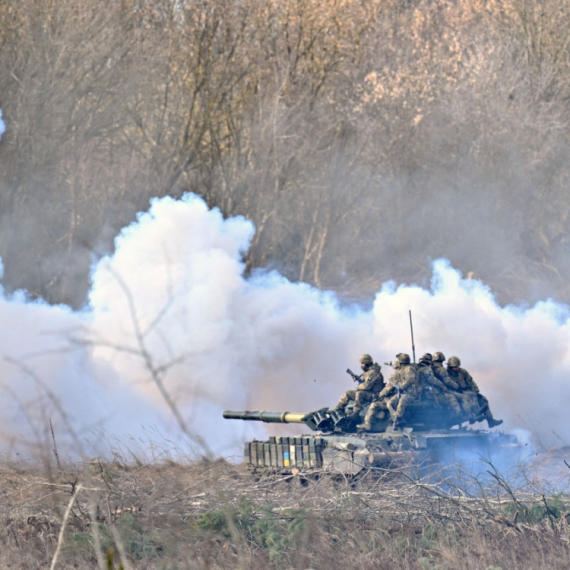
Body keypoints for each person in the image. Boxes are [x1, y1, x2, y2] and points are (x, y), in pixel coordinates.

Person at [358, 353, 420, 430]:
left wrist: (401, 386)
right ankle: (370, 423)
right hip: (398, 394)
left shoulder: (409, 369)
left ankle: (397, 419)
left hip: (408, 393)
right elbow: (389, 385)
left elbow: (410, 380)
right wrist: (380, 395)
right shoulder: (398, 372)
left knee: (401, 402)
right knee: (386, 404)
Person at [446, 355, 503, 428]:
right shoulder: (446, 373)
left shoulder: (462, 372)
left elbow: (470, 381)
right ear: (450, 367)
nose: (456, 368)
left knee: (482, 399)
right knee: (467, 398)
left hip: (466, 390)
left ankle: (490, 420)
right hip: (455, 392)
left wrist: (476, 392)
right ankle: (472, 416)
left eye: (457, 366)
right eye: (454, 367)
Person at [333, 354, 384, 419]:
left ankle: (356, 413)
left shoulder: (373, 373)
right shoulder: (367, 372)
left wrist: (359, 386)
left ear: (367, 363)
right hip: (367, 393)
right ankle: (338, 409)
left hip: (374, 395)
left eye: (362, 364)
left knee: (359, 393)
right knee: (347, 393)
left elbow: (366, 386)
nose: (361, 366)